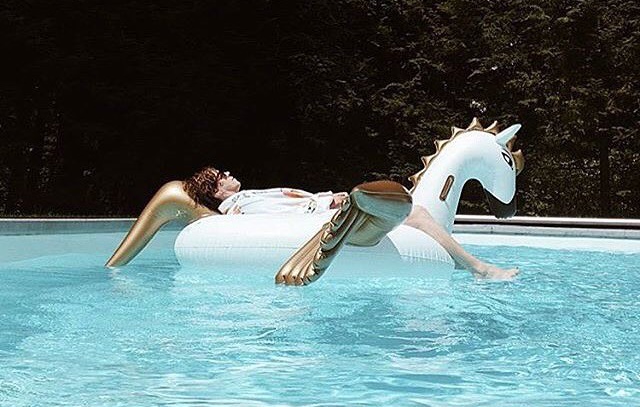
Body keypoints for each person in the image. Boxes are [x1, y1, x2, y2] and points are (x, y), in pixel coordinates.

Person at [105, 166, 520, 282]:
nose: (230, 174)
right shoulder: (240, 204)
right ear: (216, 191)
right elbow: (277, 215)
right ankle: (479, 268)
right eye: (222, 176)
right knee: (416, 213)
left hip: (329, 211)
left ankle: (365, 205)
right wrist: (327, 204)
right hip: (324, 221)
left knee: (408, 212)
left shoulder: (248, 197)